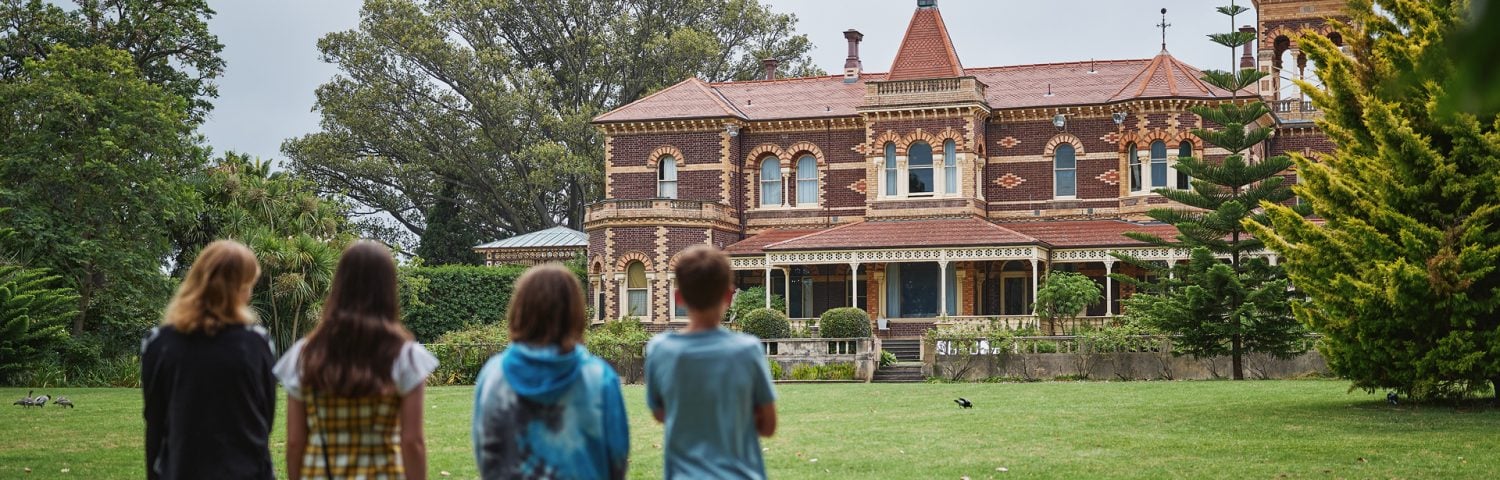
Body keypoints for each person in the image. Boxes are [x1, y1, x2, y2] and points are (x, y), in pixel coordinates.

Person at [274, 241, 437, 480]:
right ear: (388, 289)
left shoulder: (304, 355)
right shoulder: (406, 356)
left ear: (339, 286)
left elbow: (296, 442)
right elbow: (412, 442)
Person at [472, 264, 630, 479]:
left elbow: (486, 452)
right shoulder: (599, 377)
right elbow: (617, 457)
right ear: (575, 312)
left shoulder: (493, 375)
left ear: (520, 309)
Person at [141, 240, 276, 480]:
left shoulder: (159, 343)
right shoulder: (257, 343)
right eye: (249, 284)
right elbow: (265, 420)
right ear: (240, 288)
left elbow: (155, 424)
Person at [645, 245, 778, 479]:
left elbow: (659, 413)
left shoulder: (660, 350)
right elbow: (768, 426)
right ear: (729, 294)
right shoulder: (748, 351)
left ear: (678, 297)